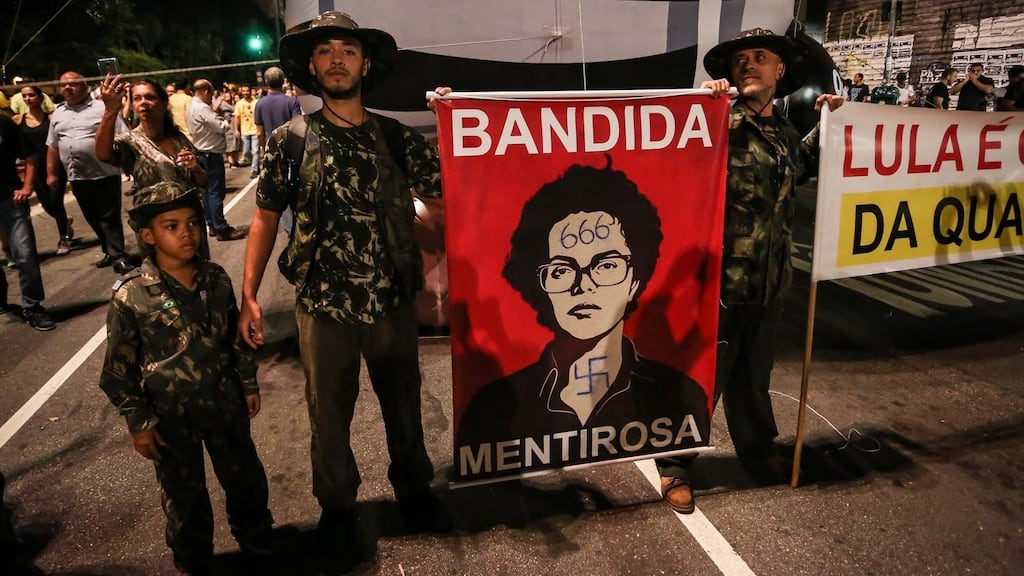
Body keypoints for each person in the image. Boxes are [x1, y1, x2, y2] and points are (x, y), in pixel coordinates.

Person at [240, 10, 447, 539]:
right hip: (323, 306)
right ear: (312, 66)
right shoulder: (289, 140)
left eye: (348, 51)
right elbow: (265, 217)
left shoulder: (397, 137)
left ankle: (414, 492)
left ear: (365, 64)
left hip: (390, 302)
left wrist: (454, 119)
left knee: (403, 407)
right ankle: (335, 507)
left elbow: (446, 195)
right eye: (327, 51)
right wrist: (249, 295)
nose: (337, 59)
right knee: (327, 416)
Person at [653, 28, 844, 514]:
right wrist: (698, 111)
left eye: (761, 57)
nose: (749, 64)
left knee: (753, 377)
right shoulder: (713, 124)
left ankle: (757, 450)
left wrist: (835, 123)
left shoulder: (782, 131)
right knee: (703, 378)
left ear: (780, 72)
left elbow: (802, 167)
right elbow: (671, 160)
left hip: (769, 280)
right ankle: (675, 466)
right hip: (718, 282)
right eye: (740, 59)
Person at [455, 161, 710, 478]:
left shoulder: (678, 394)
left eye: (605, 265)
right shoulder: (494, 405)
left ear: (635, 280)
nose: (583, 285)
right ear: (541, 285)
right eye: (561, 270)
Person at [98, 181, 274, 575]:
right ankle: (193, 559)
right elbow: (117, 370)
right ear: (148, 235)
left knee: (245, 479)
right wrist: (139, 422)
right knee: (184, 496)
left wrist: (247, 382)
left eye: (193, 223)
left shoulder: (215, 278)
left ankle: (258, 539)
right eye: (171, 226)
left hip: (224, 401)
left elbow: (235, 338)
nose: (187, 234)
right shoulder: (132, 295)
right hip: (170, 415)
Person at [95, 76, 211, 259]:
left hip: (190, 224)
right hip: (158, 231)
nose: (143, 103)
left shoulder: (178, 138)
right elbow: (103, 154)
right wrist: (110, 110)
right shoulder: (130, 141)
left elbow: (203, 182)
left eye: (150, 97)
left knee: (200, 278)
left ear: (164, 103)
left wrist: (195, 168)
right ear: (132, 105)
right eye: (137, 98)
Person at [46, 71, 133, 274]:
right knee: (91, 216)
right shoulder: (58, 113)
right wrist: (51, 174)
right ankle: (109, 250)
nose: (67, 88)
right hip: (77, 175)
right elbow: (52, 145)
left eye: (73, 84)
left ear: (85, 86)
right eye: (63, 85)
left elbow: (123, 135)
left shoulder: (103, 107)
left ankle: (119, 256)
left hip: (105, 172)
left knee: (109, 216)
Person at [1, 113, 56, 330]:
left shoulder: (3, 123)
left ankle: (33, 308)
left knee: (25, 256)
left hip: (9, 200)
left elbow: (30, 156)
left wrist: (27, 187)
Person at [13, 84, 74, 254]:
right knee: (46, 203)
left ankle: (63, 238)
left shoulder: (52, 117)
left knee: (56, 200)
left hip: (55, 165)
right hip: (34, 167)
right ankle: (64, 221)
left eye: (31, 95)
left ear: (40, 97)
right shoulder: (18, 120)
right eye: (24, 96)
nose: (27, 99)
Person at [186, 79, 246, 241]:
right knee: (215, 193)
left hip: (202, 152)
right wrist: (224, 122)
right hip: (210, 154)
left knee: (207, 192)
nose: (212, 98)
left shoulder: (192, 106)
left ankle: (212, 224)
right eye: (211, 94)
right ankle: (221, 228)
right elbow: (220, 126)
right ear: (205, 92)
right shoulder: (202, 108)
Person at [253, 67, 301, 153]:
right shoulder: (292, 102)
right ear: (283, 81)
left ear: (266, 81)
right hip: (289, 147)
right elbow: (297, 128)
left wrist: (264, 149)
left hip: (271, 148)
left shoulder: (260, 104)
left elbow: (259, 133)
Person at [233, 84, 260, 176]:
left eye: (247, 91)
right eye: (243, 91)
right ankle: (255, 164)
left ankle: (254, 169)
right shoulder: (239, 103)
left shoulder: (256, 102)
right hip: (244, 131)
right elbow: (236, 117)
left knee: (255, 151)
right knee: (247, 152)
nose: (245, 93)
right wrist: (236, 130)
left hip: (255, 130)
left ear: (250, 91)